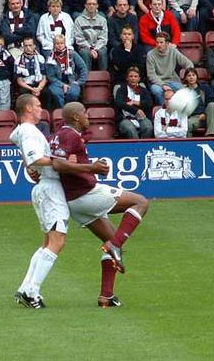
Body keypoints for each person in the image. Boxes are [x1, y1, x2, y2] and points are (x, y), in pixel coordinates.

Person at [49, 101, 149, 306]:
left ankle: (107, 296)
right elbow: (58, 164)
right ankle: (115, 245)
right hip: (86, 194)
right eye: (85, 113)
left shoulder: (57, 135)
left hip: (73, 201)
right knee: (140, 202)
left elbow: (53, 161)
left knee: (113, 240)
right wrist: (92, 168)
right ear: (76, 117)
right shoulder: (69, 134)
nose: (88, 117)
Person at [10, 94, 70, 309]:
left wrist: (30, 166)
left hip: (44, 188)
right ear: (27, 108)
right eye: (37, 105)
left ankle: (25, 287)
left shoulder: (23, 132)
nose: (41, 109)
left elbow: (29, 159)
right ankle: (32, 291)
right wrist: (63, 163)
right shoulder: (29, 131)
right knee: (57, 241)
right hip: (50, 189)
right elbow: (35, 158)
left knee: (47, 243)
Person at [146, 31, 193, 105]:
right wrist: (162, 85)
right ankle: (163, 109)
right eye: (157, 42)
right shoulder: (150, 54)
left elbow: (189, 64)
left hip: (172, 80)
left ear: (167, 43)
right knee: (156, 90)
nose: (158, 45)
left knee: (183, 91)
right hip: (158, 82)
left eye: (161, 42)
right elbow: (151, 75)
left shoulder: (173, 51)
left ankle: (178, 111)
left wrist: (187, 78)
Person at [45, 34, 87, 108]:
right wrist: (62, 85)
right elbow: (50, 76)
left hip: (72, 81)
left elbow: (83, 68)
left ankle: (69, 110)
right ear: (54, 45)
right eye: (57, 44)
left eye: (62, 43)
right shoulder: (50, 56)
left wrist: (79, 82)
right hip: (56, 83)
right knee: (57, 94)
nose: (60, 45)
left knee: (73, 93)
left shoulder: (72, 53)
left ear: (65, 43)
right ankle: (61, 112)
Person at [114, 67, 153, 139]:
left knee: (148, 127)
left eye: (135, 76)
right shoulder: (121, 90)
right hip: (125, 118)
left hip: (141, 118)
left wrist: (135, 102)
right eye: (131, 76)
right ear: (127, 78)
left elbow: (149, 103)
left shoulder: (144, 90)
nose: (133, 78)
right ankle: (137, 148)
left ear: (139, 79)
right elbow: (119, 103)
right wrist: (136, 110)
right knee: (130, 129)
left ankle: (143, 147)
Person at [15, 37, 51, 110]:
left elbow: (44, 77)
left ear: (34, 46)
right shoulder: (18, 60)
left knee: (47, 92)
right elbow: (19, 81)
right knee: (23, 93)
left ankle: (45, 113)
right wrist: (32, 89)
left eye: (30, 45)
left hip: (39, 84)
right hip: (27, 86)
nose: (28, 48)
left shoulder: (41, 58)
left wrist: (39, 88)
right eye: (26, 46)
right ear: (23, 47)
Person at [74, 0, 108, 71]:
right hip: (85, 47)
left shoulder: (102, 20)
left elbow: (103, 38)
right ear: (85, 5)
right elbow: (79, 38)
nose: (91, 6)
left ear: (97, 6)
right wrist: (90, 48)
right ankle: (86, 79)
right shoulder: (78, 20)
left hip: (99, 47)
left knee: (103, 51)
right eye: (89, 4)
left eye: (94, 4)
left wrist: (95, 49)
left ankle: (103, 78)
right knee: (85, 53)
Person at [183, 67, 214, 137]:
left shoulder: (205, 88)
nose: (191, 77)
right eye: (189, 76)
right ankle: (188, 145)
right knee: (187, 125)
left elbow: (211, 100)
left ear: (196, 77)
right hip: (194, 118)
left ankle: (210, 134)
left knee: (212, 105)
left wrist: (205, 114)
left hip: (208, 116)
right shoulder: (183, 91)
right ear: (186, 78)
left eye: (193, 75)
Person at [110, 24, 146, 89]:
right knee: (117, 89)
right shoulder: (115, 50)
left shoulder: (140, 49)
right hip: (121, 80)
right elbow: (120, 67)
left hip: (137, 80)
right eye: (124, 34)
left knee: (143, 87)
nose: (126, 36)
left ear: (133, 36)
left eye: (129, 34)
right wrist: (127, 51)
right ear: (121, 36)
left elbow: (140, 66)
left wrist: (128, 55)